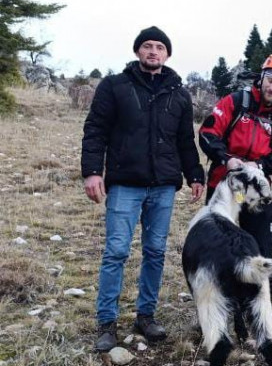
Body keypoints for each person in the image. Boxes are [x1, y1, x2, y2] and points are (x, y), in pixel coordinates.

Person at [82, 26, 205, 351]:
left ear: (167, 54)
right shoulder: (115, 86)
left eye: (159, 47)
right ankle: (106, 322)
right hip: (124, 184)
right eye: (147, 46)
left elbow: (185, 141)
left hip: (163, 187)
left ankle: (145, 316)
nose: (153, 52)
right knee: (117, 252)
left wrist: (195, 174)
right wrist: (93, 172)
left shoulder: (179, 93)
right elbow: (95, 129)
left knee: (154, 252)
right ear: (138, 51)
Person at [198, 52, 272, 296]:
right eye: (271, 81)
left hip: (257, 190)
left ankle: (261, 297)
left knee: (261, 243)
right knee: (218, 242)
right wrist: (227, 158)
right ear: (262, 77)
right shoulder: (236, 101)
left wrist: (261, 166)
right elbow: (207, 133)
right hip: (225, 184)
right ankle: (216, 295)